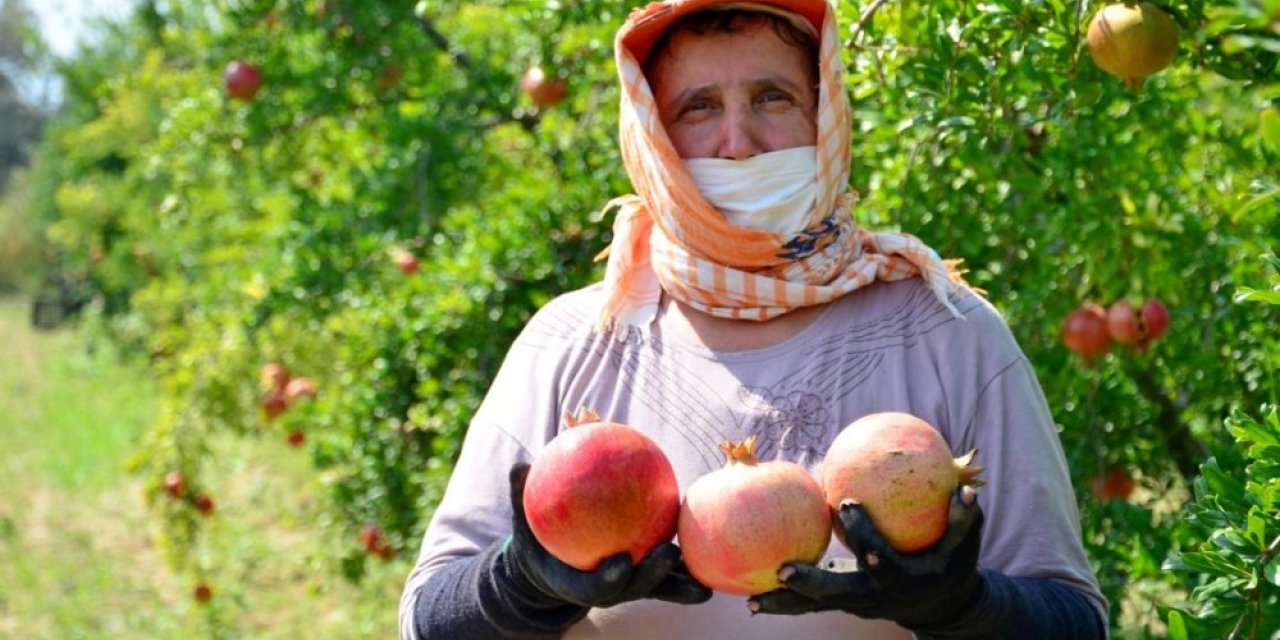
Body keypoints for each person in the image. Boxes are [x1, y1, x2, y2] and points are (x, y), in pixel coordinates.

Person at [399, 0, 1108, 638]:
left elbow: (1075, 619)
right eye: (698, 108)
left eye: (773, 98)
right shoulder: (576, 341)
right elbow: (426, 619)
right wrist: (519, 587)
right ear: (654, 139)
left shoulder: (947, 333)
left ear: (824, 116)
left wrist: (965, 609)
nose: (738, 142)